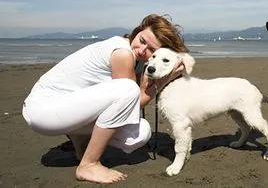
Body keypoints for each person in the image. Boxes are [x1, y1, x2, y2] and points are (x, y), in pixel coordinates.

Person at [22, 14, 189, 184]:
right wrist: (162, 81)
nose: (142, 50)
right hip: (43, 110)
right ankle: (88, 164)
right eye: (142, 40)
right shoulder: (123, 53)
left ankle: (80, 138)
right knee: (128, 89)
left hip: (60, 108)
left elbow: (122, 106)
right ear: (137, 31)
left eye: (152, 50)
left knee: (139, 134)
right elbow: (132, 102)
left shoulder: (133, 55)